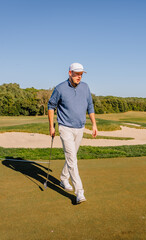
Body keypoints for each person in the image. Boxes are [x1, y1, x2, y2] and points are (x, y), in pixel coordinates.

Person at [48, 63, 98, 204]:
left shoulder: (85, 87)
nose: (79, 76)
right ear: (70, 73)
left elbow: (90, 106)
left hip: (80, 127)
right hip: (65, 128)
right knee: (72, 159)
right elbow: (51, 106)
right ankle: (79, 192)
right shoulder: (60, 88)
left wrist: (94, 124)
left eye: (81, 74)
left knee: (72, 157)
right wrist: (51, 126)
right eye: (77, 74)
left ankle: (64, 178)